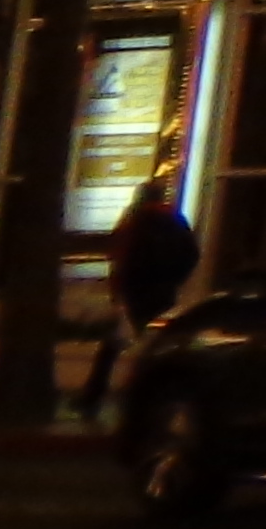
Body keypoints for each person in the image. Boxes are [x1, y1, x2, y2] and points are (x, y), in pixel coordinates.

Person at [87, 173, 198, 418]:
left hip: (134, 292)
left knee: (115, 344)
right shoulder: (175, 221)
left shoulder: (134, 221)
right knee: (155, 344)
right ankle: (151, 400)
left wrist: (119, 290)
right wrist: (174, 279)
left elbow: (119, 255)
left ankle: (95, 396)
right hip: (164, 291)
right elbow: (192, 254)